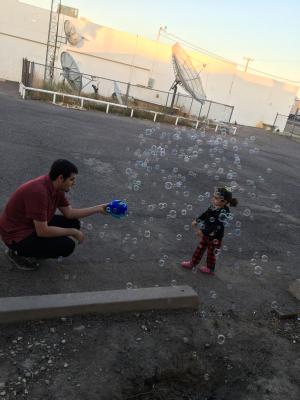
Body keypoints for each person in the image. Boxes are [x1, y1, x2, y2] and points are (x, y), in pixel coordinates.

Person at [0, 159, 108, 270]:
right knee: (67, 246)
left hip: (32, 225)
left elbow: (70, 213)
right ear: (61, 178)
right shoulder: (38, 192)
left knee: (73, 223)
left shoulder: (55, 186)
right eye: (71, 179)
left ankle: (36, 249)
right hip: (16, 235)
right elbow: (42, 231)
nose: (73, 183)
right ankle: (17, 253)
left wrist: (99, 208)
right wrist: (73, 232)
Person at [181, 187, 238, 276]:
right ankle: (193, 263)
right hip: (207, 234)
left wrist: (203, 232)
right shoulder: (213, 207)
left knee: (211, 253)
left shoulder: (224, 213)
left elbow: (215, 225)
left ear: (224, 201)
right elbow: (205, 214)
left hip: (216, 236)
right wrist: (197, 220)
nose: (213, 199)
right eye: (213, 197)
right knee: (199, 249)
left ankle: (210, 268)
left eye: (216, 198)